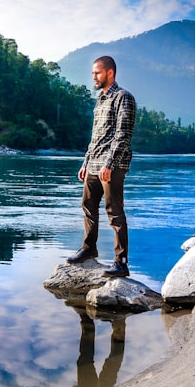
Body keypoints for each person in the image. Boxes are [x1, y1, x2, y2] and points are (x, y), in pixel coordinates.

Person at [67, 55, 136, 278]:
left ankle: (121, 262)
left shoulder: (123, 97)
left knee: (114, 212)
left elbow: (123, 134)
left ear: (110, 73)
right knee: (87, 206)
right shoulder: (100, 99)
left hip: (111, 166)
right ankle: (89, 249)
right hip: (93, 164)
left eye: (97, 73)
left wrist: (110, 163)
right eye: (93, 73)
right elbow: (96, 135)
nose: (94, 77)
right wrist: (86, 162)